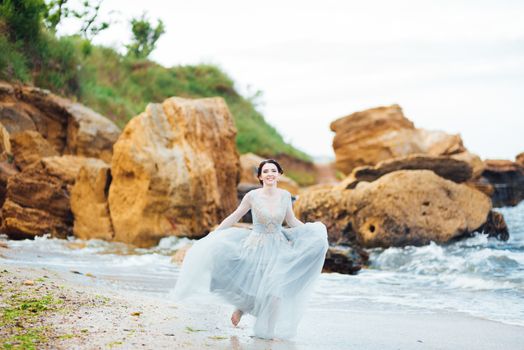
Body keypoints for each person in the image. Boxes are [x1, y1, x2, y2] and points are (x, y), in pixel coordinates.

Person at [171, 159, 329, 340]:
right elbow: (235, 216)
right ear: (260, 176)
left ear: (279, 174)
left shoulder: (285, 195)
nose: (270, 174)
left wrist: (310, 233)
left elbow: (291, 221)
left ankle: (267, 332)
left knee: (275, 290)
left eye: (273, 171)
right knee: (254, 285)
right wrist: (214, 234)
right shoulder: (252, 196)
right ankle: (242, 307)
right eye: (266, 171)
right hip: (255, 245)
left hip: (278, 245)